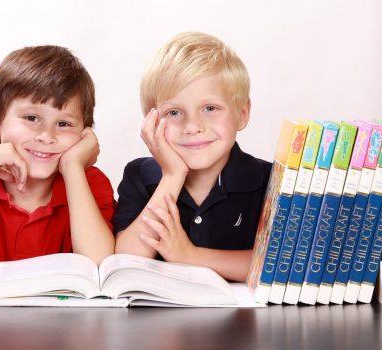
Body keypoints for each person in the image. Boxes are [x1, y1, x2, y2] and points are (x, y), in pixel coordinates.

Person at [0, 46, 115, 280]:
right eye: (31, 118)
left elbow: (100, 269)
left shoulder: (89, 184)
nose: (47, 136)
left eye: (64, 124)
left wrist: (72, 167)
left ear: (85, 133)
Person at [114, 32, 272, 282]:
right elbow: (125, 260)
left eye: (210, 108)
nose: (192, 126)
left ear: (242, 114)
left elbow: (277, 265)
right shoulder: (140, 175)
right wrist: (172, 175)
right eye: (174, 112)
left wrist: (190, 255)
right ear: (151, 120)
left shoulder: (268, 180)